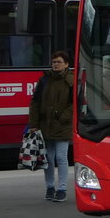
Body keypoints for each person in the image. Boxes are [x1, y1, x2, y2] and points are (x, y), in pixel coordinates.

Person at [28, 49, 75, 202]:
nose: (55, 64)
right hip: (46, 124)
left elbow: (74, 103)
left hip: (62, 125)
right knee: (48, 157)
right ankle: (49, 187)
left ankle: (62, 189)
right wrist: (33, 124)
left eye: (59, 62)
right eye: (54, 62)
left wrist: (63, 117)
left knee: (61, 157)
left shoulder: (71, 80)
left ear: (66, 64)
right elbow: (35, 102)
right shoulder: (44, 80)